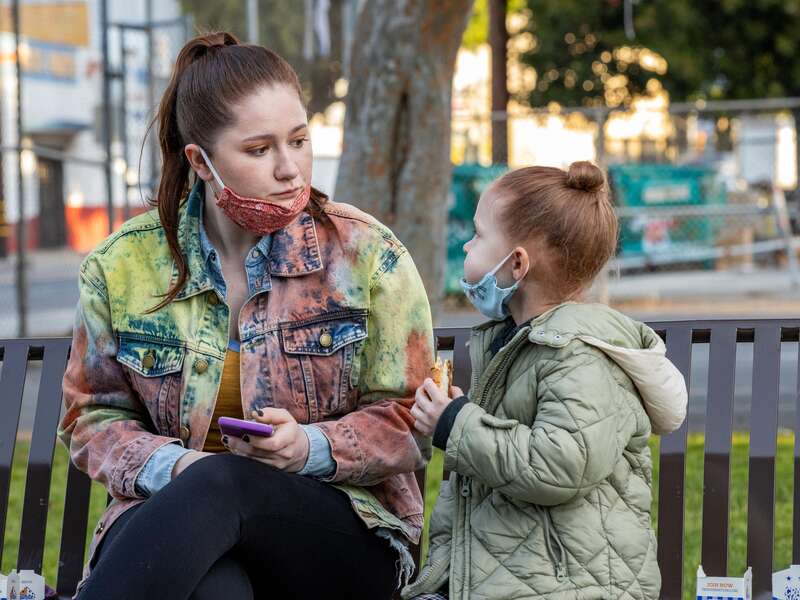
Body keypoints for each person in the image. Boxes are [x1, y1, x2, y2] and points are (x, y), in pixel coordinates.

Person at [59, 31, 434, 600]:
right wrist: (175, 468)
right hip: (172, 524)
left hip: (339, 529)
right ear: (201, 162)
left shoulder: (366, 255)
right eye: (259, 150)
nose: (290, 169)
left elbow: (412, 419)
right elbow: (91, 417)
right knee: (216, 586)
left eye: (299, 141)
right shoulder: (123, 266)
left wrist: (309, 447)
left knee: (224, 483)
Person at [402, 161, 687, 599]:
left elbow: (561, 464)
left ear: (516, 263)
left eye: (478, 235)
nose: (467, 245)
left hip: (572, 586)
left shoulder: (581, 354)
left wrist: (456, 424)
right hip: (509, 579)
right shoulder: (517, 343)